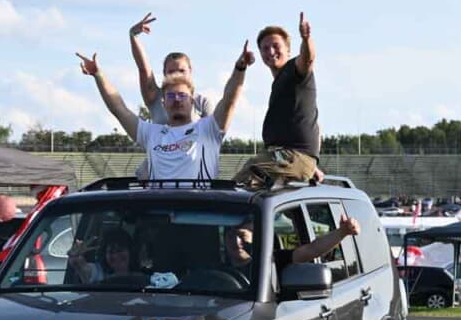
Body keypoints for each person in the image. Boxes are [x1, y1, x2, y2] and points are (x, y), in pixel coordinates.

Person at [76, 44, 249, 181]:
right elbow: (119, 109)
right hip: (159, 210)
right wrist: (98, 74)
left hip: (197, 209)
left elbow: (229, 100)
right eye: (171, 96)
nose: (177, 99)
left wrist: (240, 68)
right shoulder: (152, 133)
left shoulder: (208, 129)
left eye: (182, 95)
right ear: (164, 103)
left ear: (192, 100)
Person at [233, 12, 320, 189]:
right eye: (265, 48)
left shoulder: (294, 71)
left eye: (276, 46)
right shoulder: (279, 83)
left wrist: (306, 39)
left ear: (288, 49)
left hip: (292, 156)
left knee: (244, 178)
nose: (271, 52)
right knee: (252, 180)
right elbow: (313, 124)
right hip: (284, 158)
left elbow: (308, 59)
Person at [129, 13, 214, 124]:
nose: (177, 75)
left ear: (190, 71)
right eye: (171, 71)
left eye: (182, 71)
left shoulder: (202, 103)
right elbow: (144, 69)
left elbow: (211, 132)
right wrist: (133, 35)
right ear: (164, 73)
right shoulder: (155, 97)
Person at [223, 214, 359, 282]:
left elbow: (312, 250)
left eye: (242, 235)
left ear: (257, 238)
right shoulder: (215, 268)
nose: (236, 241)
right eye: (230, 236)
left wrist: (342, 232)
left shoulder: (273, 261)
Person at [67, 228, 134, 283]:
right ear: (105, 255)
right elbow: (80, 265)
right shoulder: (98, 272)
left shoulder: (139, 273)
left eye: (120, 250)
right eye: (111, 252)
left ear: (130, 251)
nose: (115, 256)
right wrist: (75, 255)